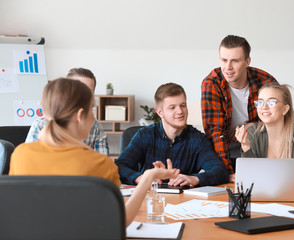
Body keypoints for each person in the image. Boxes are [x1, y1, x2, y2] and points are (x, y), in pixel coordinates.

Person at [9, 78, 179, 227]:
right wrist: (149, 177)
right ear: (80, 115)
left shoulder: (20, 154)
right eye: (92, 110)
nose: (93, 118)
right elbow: (120, 221)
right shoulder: (99, 164)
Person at [116, 82, 229, 186]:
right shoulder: (144, 135)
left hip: (183, 203)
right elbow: (120, 166)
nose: (180, 111)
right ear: (160, 112)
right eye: (172, 107)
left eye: (183, 105)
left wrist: (195, 179)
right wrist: (142, 178)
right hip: (150, 199)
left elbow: (219, 171)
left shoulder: (198, 139)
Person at [201, 35, 278, 182]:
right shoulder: (212, 83)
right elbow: (215, 132)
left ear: (247, 62)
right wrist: (228, 173)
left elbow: (282, 118)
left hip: (258, 148)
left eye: (235, 61)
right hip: (223, 150)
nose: (228, 67)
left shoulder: (265, 81)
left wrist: (255, 125)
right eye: (224, 60)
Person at [235, 83, 294, 184]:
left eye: (271, 102)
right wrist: (246, 146)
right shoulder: (252, 133)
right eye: (260, 102)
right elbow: (251, 178)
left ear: (285, 109)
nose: (264, 107)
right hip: (262, 196)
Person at [25, 68, 109, 156]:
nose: (84, 96)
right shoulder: (40, 125)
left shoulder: (96, 127)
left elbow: (102, 164)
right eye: (78, 90)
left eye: (88, 92)